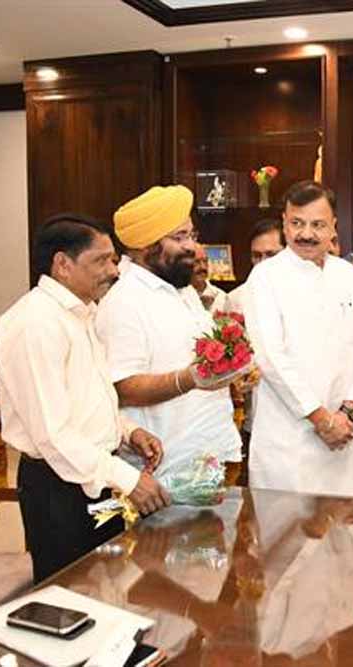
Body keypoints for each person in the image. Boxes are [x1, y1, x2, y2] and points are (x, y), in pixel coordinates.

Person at [0, 213, 170, 582]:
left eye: (113, 260)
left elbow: (89, 396)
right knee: (70, 596)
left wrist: (129, 432)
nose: (114, 271)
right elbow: (52, 433)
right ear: (62, 264)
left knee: (109, 585)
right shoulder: (36, 323)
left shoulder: (80, 314)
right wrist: (128, 479)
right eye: (101, 260)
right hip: (60, 486)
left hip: (94, 477)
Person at [96, 185, 243, 484]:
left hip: (211, 455)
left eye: (192, 235)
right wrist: (188, 380)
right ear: (146, 246)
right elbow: (122, 387)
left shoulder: (182, 289)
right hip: (166, 468)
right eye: (179, 238)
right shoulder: (124, 301)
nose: (192, 247)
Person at [244, 180, 353, 496]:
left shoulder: (348, 275)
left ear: (334, 227)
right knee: (287, 525)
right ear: (284, 224)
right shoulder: (265, 277)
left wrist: (348, 413)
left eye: (317, 225)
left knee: (344, 524)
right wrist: (321, 419)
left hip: (343, 434)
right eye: (297, 223)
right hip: (288, 439)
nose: (306, 234)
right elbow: (270, 357)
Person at [225, 218, 285, 314]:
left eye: (271, 254)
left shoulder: (305, 292)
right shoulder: (236, 299)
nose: (263, 262)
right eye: (257, 256)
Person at [189, 244, 228, 313]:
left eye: (205, 261)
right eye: (196, 262)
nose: (203, 267)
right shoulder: (176, 295)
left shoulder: (221, 297)